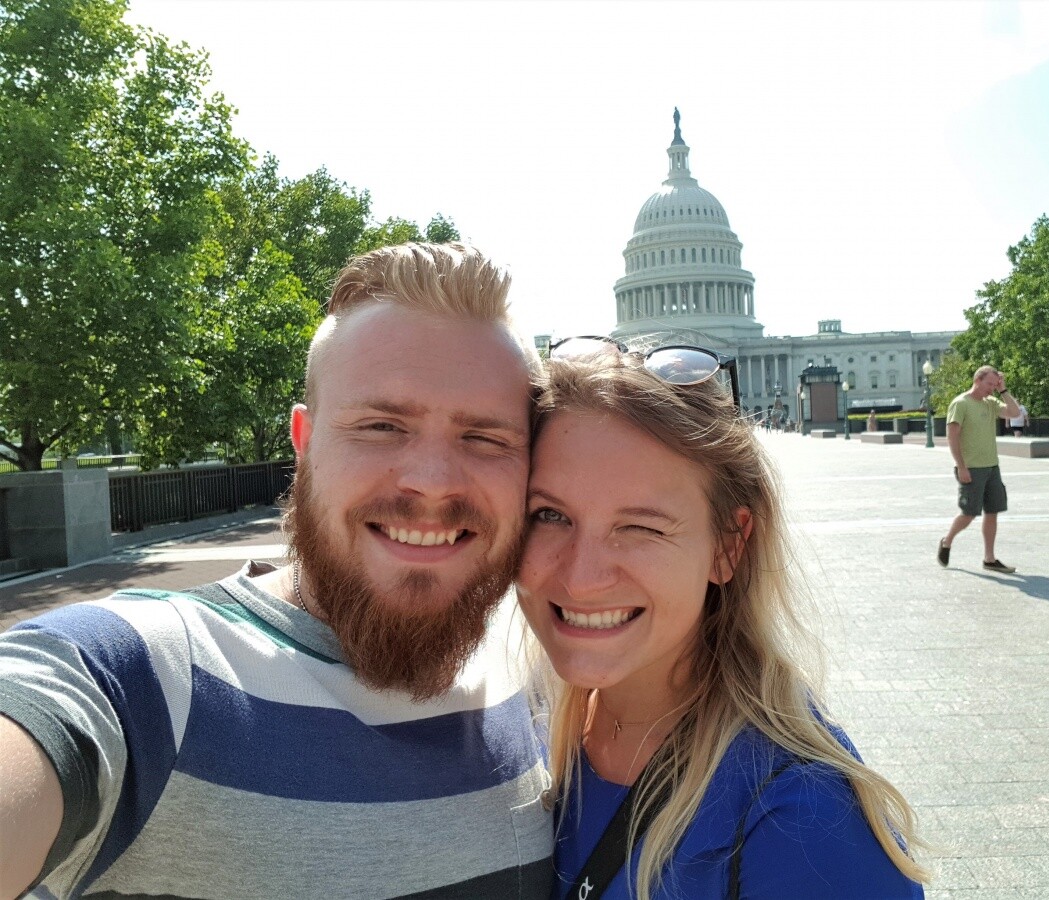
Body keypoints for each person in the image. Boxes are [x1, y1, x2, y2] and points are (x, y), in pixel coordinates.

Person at [0, 244, 554, 899]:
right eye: (381, 426)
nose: (433, 483)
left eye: (485, 438)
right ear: (304, 442)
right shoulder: (146, 675)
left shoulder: (536, 667)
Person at [518, 338, 928, 899]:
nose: (582, 578)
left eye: (640, 527)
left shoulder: (805, 826)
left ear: (728, 546)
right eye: (549, 514)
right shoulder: (522, 727)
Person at [937, 365, 1022, 573]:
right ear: (977, 380)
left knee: (992, 512)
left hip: (992, 466)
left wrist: (1003, 390)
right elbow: (952, 437)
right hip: (971, 468)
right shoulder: (960, 403)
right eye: (989, 384)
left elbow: (1014, 412)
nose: (992, 388)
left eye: (994, 384)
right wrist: (961, 466)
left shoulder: (990, 402)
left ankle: (989, 559)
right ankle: (947, 541)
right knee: (969, 514)